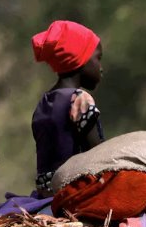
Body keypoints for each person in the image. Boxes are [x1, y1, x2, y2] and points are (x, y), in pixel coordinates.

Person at [31, 20, 105, 198]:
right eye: (98, 58)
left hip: (45, 193)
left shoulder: (44, 102)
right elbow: (99, 156)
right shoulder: (79, 99)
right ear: (82, 60)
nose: (101, 69)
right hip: (73, 190)